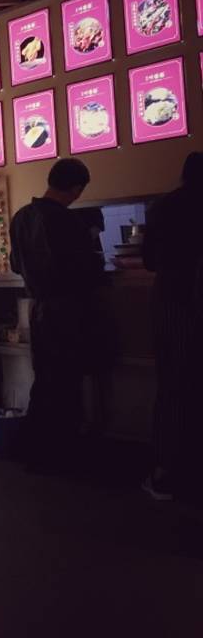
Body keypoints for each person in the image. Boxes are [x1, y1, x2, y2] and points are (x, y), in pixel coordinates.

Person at [10, 158, 104, 473]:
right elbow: (87, 270)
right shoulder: (68, 221)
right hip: (67, 312)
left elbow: (15, 264)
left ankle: (36, 452)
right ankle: (60, 454)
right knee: (66, 383)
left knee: (45, 380)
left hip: (38, 310)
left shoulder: (21, 217)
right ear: (76, 189)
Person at [142, 152, 203, 501]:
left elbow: (149, 260)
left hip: (173, 304)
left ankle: (165, 473)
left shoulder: (163, 207)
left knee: (173, 386)